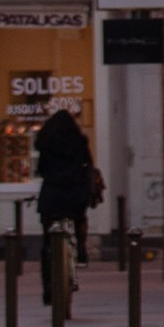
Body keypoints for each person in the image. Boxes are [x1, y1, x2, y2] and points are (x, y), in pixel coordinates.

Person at [31, 106, 101, 307]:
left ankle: (48, 290)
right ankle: (80, 249)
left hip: (52, 194)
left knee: (47, 243)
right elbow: (88, 164)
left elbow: (41, 169)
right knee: (79, 217)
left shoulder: (45, 143)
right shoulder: (79, 141)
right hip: (74, 193)